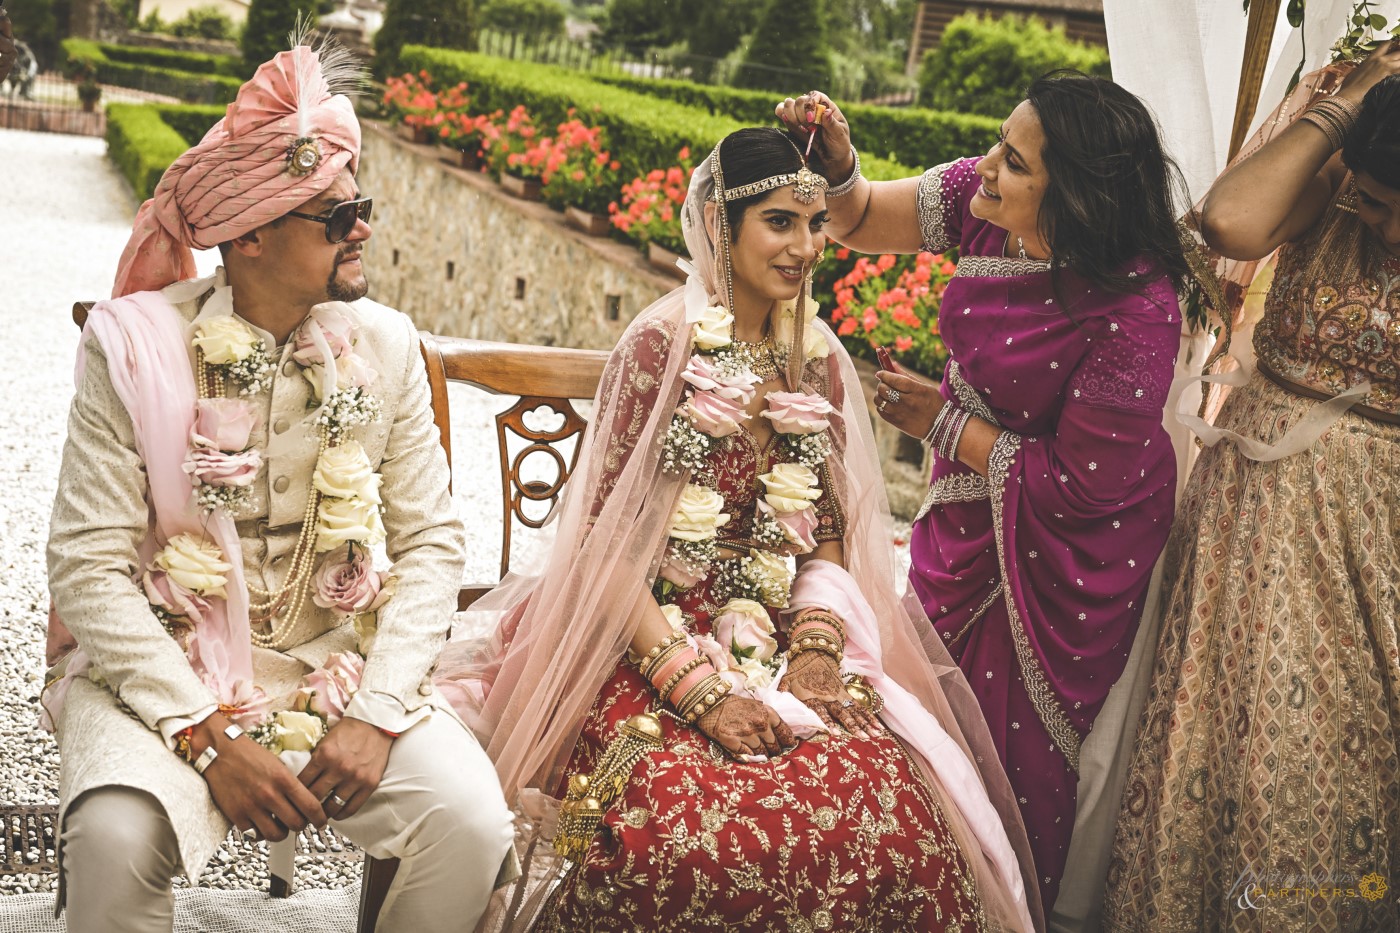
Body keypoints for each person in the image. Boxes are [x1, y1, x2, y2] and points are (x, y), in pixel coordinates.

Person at [434, 127, 1042, 932]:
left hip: (782, 627)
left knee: (896, 809)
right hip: (638, 631)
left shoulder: (815, 357)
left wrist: (820, 650)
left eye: (817, 223)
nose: (805, 247)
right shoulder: (658, 346)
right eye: (780, 223)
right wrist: (702, 689)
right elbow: (603, 552)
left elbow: (824, 530)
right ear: (723, 224)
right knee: (684, 832)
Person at [43, 39, 514, 933]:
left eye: (360, 206)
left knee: (471, 821)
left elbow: (430, 545)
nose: (363, 229)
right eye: (335, 216)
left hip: (335, 664)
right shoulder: (134, 348)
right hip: (166, 674)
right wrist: (203, 732)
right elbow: (85, 567)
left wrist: (377, 711)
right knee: (110, 839)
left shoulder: (386, 347)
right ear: (250, 234)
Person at [775, 72, 1192, 913]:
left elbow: (1083, 483)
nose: (989, 168)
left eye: (1016, 162)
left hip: (1073, 549)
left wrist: (941, 424)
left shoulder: (1137, 308)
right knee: (922, 705)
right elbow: (858, 219)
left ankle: (993, 904)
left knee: (1011, 751)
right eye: (1001, 145)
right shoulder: (983, 199)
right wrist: (841, 162)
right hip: (971, 509)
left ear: (1072, 196)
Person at [1103, 41, 1400, 932]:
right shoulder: (1334, 187)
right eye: (1381, 205)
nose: (1386, 231)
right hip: (1250, 518)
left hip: (1375, 546)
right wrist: (1351, 101)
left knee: (1332, 761)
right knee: (1215, 738)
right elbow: (1227, 222)